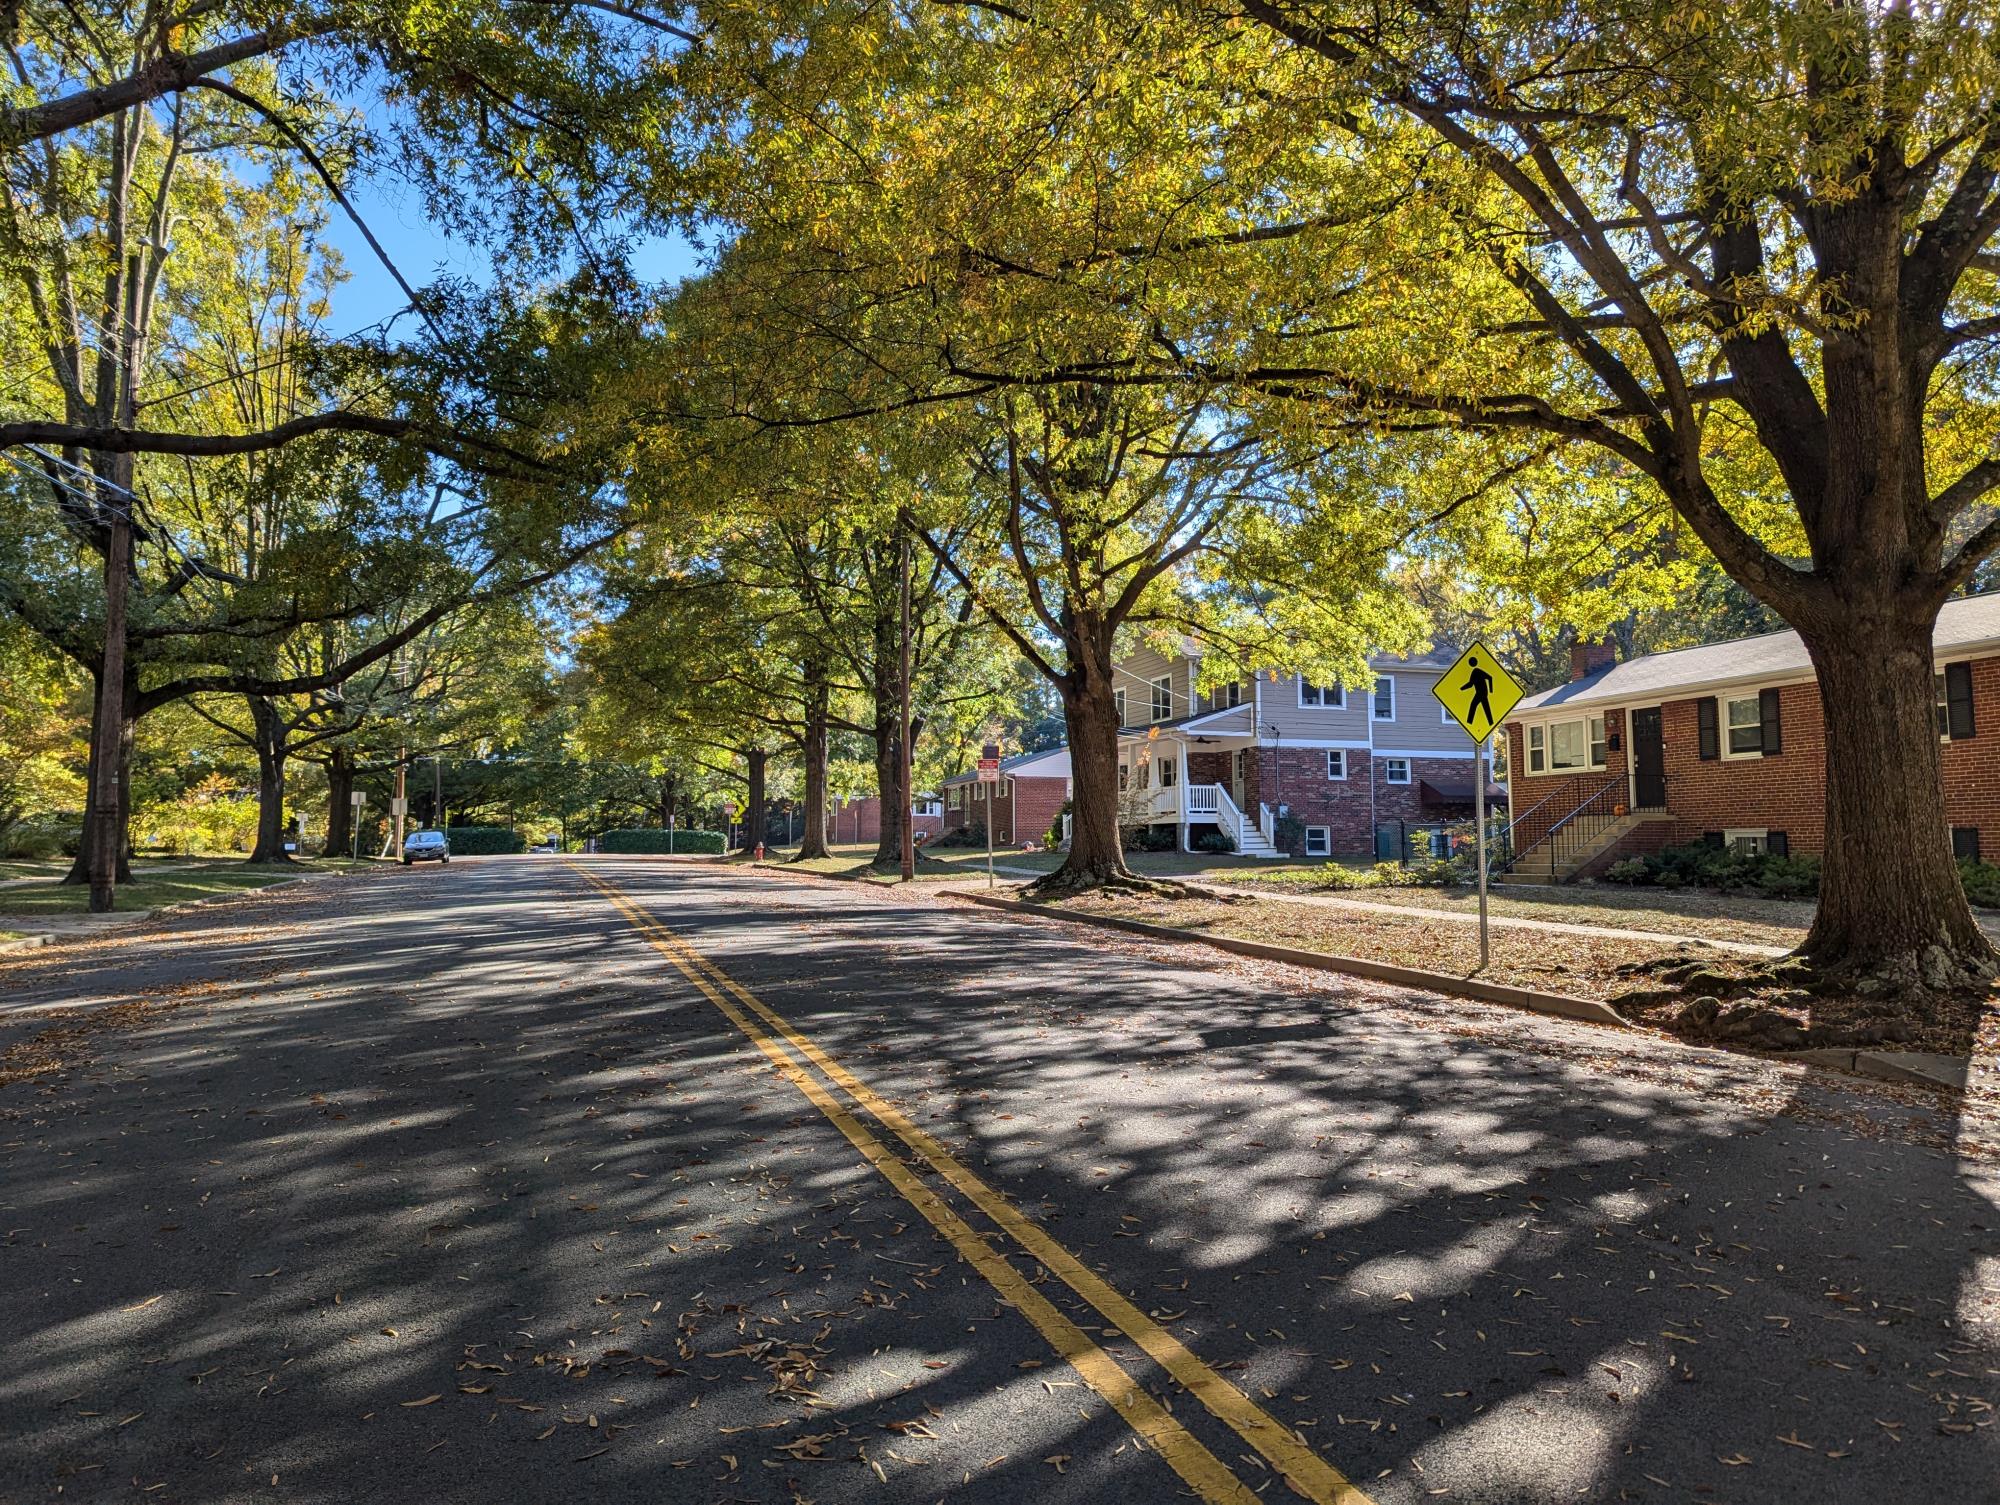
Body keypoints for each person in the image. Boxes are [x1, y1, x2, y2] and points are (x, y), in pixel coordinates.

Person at [1460, 654, 1495, 731]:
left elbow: (1490, 677)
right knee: (1486, 708)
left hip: (1481, 693)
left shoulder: (1477, 671)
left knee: (1474, 705)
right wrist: (1461, 688)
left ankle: (1469, 722)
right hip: (1481, 693)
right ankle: (1490, 722)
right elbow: (1471, 684)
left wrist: (1491, 690)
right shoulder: (1475, 671)